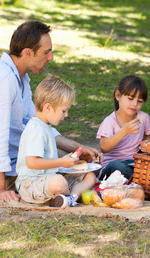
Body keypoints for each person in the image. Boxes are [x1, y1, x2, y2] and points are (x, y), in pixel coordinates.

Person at [0, 20, 102, 202]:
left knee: (85, 166)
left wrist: (77, 148)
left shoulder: (21, 78)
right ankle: (67, 194)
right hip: (9, 173)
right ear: (27, 53)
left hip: (26, 158)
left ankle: (68, 193)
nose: (51, 57)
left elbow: (38, 123)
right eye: (46, 52)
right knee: (67, 176)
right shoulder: (1, 79)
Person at [16, 75, 97, 207]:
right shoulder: (36, 129)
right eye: (64, 111)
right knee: (59, 181)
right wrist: (61, 162)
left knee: (89, 176)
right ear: (48, 107)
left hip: (48, 179)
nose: (66, 115)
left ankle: (70, 198)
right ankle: (69, 196)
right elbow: (31, 162)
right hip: (30, 184)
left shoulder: (45, 126)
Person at [97, 74, 150, 180]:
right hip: (112, 166)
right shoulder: (110, 122)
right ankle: (141, 177)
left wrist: (147, 143)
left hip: (134, 162)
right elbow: (104, 147)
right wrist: (124, 131)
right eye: (130, 98)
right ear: (118, 96)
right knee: (118, 166)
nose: (135, 104)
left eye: (140, 101)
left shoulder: (143, 118)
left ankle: (139, 176)